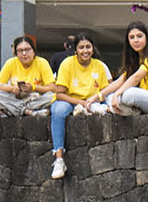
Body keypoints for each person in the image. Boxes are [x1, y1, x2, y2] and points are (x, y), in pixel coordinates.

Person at [47, 33, 112, 180]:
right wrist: (82, 103)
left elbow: (105, 91)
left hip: (94, 102)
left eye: (88, 47)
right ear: (75, 49)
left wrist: (96, 103)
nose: (85, 51)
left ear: (93, 49)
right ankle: (59, 158)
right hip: (71, 101)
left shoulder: (100, 66)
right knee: (57, 110)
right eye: (81, 47)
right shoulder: (67, 64)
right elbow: (59, 94)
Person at [0, 34, 59, 116]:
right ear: (16, 53)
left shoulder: (42, 62)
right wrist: (12, 89)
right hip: (16, 98)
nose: (24, 53)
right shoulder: (10, 63)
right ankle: (27, 111)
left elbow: (52, 88)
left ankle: (18, 110)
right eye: (20, 51)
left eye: (27, 49)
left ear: (33, 51)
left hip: (35, 99)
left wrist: (33, 88)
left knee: (56, 96)